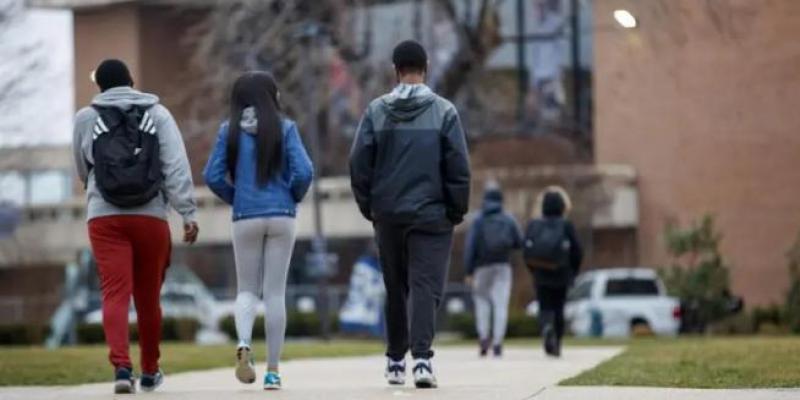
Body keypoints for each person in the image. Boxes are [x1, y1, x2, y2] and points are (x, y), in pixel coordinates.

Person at [349, 40, 471, 389]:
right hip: (432, 215)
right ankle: (422, 361)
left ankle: (394, 361)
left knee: (395, 287)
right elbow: (458, 167)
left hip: (388, 214)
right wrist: (455, 209)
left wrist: (368, 205)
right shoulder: (445, 112)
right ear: (426, 67)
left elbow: (358, 163)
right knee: (424, 286)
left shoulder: (375, 111)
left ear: (395, 69)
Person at [72, 59, 198, 394]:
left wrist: (99, 188)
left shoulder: (86, 118)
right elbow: (175, 165)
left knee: (114, 293)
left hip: (104, 217)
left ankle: (122, 369)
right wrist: (187, 212)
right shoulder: (157, 114)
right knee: (147, 298)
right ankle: (150, 371)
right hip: (150, 216)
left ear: (100, 87)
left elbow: (83, 168)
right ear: (131, 81)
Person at [204, 71, 313, 390]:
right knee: (275, 293)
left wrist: (236, 198)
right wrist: (292, 195)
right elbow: (304, 170)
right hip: (282, 215)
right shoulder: (286, 128)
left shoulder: (229, 131)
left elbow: (212, 175)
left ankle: (243, 341)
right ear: (271, 97)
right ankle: (274, 372)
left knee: (247, 290)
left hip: (245, 216)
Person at [463, 185, 522, 357]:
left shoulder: (479, 220)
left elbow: (470, 247)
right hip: (503, 266)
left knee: (481, 302)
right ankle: (497, 342)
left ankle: (483, 338)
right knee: (500, 304)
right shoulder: (508, 219)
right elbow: (519, 241)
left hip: (482, 267)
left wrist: (469, 271)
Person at [524, 186, 582, 357]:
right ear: (562, 206)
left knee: (544, 306)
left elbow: (526, 251)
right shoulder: (566, 225)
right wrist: (573, 271)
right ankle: (557, 343)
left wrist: (534, 270)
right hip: (561, 273)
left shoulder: (534, 224)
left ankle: (546, 327)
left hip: (541, 273)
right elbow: (577, 251)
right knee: (559, 307)